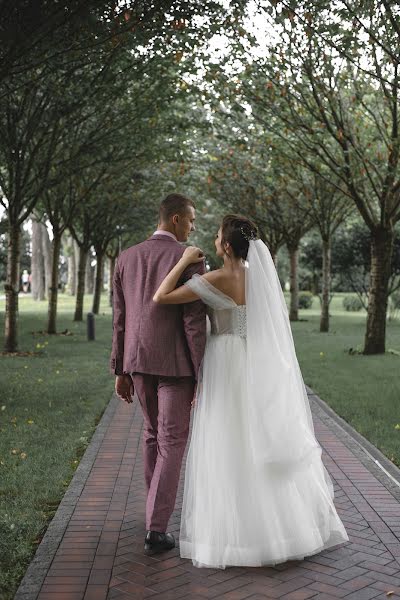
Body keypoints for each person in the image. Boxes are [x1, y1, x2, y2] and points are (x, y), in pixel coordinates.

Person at [153, 214, 349, 569]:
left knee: (228, 442)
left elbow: (161, 296)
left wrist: (183, 260)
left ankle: (237, 535)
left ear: (227, 246)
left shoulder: (212, 279)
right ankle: (284, 530)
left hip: (225, 363)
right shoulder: (261, 276)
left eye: (216, 237)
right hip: (255, 359)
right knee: (259, 436)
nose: (213, 240)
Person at [110, 193, 207, 556]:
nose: (194, 226)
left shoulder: (126, 257)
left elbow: (120, 320)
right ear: (177, 219)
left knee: (152, 435)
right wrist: (201, 371)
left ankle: (154, 513)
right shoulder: (190, 260)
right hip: (176, 365)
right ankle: (156, 527)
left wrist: (120, 369)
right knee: (172, 442)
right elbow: (193, 322)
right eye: (192, 219)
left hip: (137, 361)